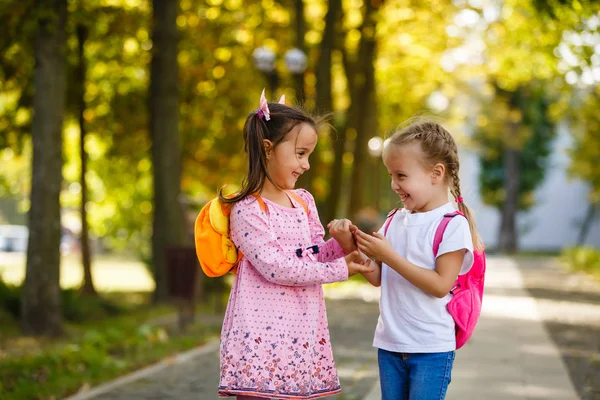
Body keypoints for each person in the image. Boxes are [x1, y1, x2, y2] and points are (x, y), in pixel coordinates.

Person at [217, 90, 373, 399]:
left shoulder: (303, 201)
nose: (307, 165)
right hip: (261, 337)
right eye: (300, 153)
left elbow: (312, 257)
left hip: (300, 329)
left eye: (309, 155)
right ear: (267, 149)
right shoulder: (248, 210)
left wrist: (340, 246)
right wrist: (340, 270)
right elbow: (277, 267)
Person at [351, 120, 483, 400]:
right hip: (390, 344)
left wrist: (389, 256)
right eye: (391, 175)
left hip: (431, 349)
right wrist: (351, 245)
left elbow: (439, 285)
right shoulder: (394, 220)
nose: (394, 184)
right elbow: (378, 277)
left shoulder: (452, 225)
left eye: (401, 175)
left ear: (436, 173)